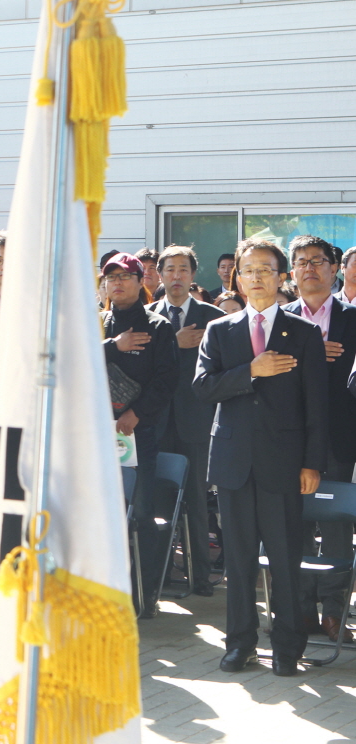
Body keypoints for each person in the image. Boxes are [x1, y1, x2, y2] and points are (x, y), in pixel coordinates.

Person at [194, 238, 328, 677]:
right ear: (238, 277)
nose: (256, 278)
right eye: (248, 270)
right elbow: (203, 387)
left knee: (286, 557)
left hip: (284, 463)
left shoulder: (304, 333)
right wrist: (249, 372)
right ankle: (240, 644)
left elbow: (317, 404)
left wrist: (312, 463)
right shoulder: (221, 329)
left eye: (266, 270)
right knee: (238, 560)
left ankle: (288, 647)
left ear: (281, 276)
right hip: (233, 463)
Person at [281, 235, 356, 644]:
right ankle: (302, 611)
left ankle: (334, 612)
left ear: (333, 268)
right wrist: (308, 356)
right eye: (302, 262)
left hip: (339, 439)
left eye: (318, 261)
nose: (310, 267)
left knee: (337, 525)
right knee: (295, 523)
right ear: (292, 272)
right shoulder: (277, 318)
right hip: (289, 439)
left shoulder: (353, 317)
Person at [101, 253, 179, 617]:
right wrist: (112, 346)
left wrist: (136, 414)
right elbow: (71, 363)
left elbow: (167, 381)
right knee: (100, 515)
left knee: (141, 513)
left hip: (140, 433)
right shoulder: (96, 324)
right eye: (111, 277)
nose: (118, 283)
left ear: (140, 281)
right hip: (96, 435)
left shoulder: (159, 326)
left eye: (126, 276)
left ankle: (142, 594)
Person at [149, 246, 224, 598]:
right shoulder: (148, 318)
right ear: (160, 275)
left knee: (196, 499)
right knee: (159, 498)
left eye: (183, 269)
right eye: (169, 269)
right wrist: (173, 345)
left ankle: (200, 577)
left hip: (196, 422)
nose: (176, 276)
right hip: (157, 422)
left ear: (194, 275)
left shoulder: (213, 317)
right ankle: (158, 573)